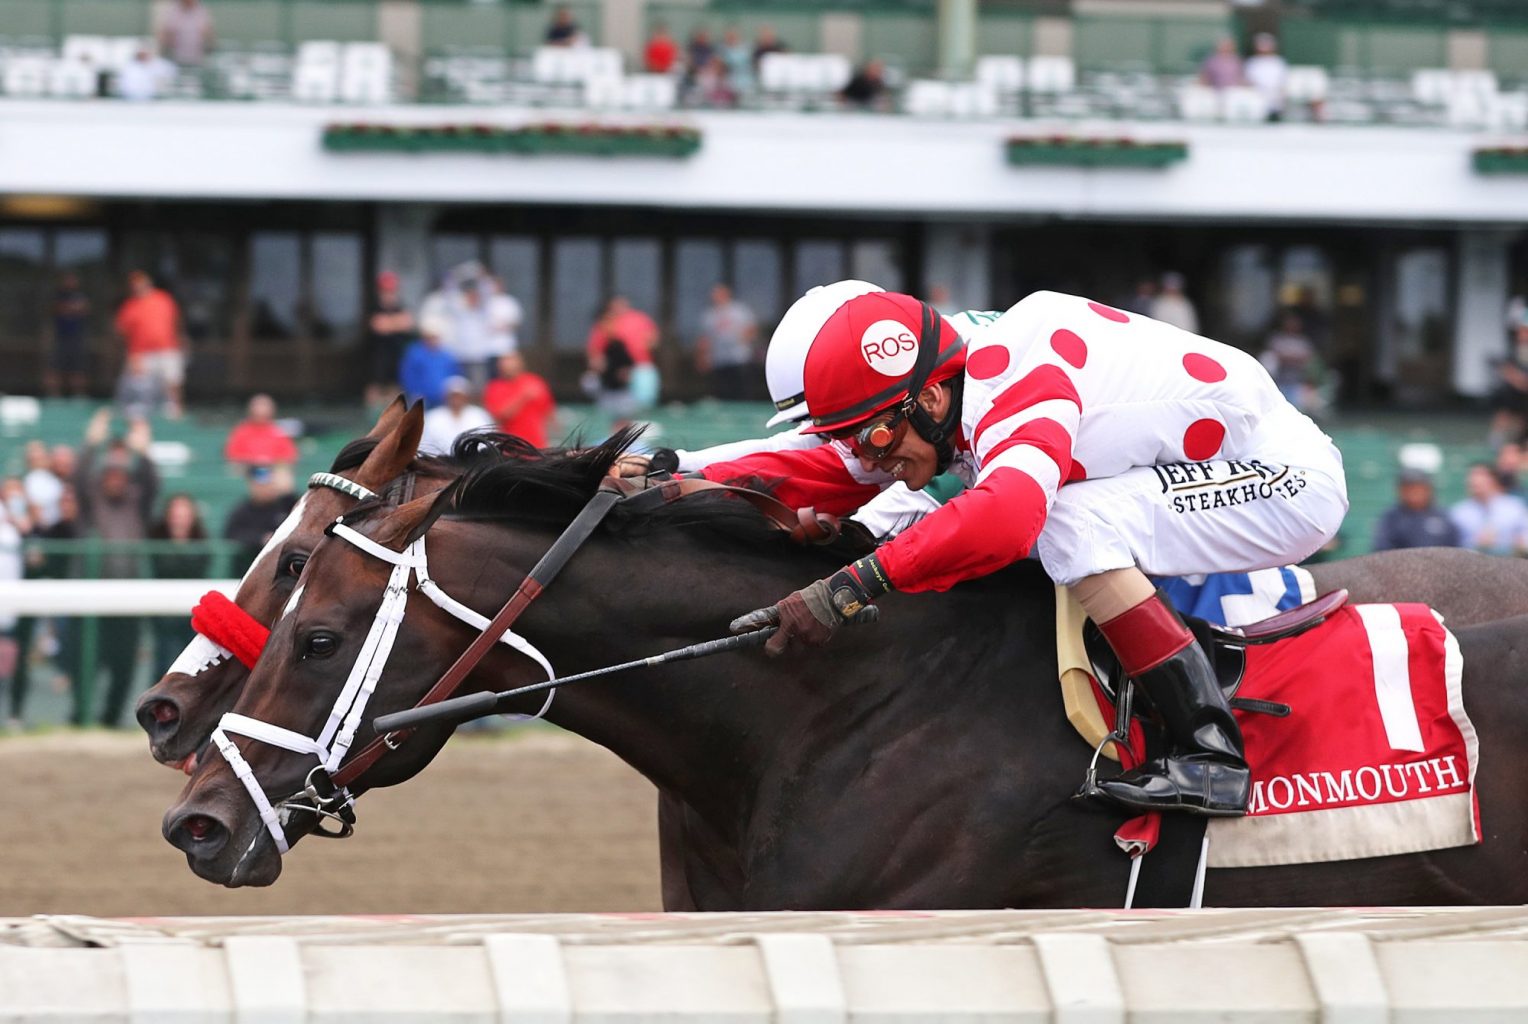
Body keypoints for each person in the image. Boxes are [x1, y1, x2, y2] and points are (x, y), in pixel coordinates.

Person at [704, 288, 1349, 818]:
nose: (871, 462)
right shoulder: (945, 388)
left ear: (928, 398)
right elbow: (818, 470)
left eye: (873, 438)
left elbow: (1010, 516)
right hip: (1222, 462)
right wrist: (670, 469)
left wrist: (861, 581)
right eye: (857, 442)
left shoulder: (1016, 371)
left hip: (1287, 478)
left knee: (1068, 521)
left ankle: (1212, 754)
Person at [74, 411, 158, 726]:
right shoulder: (91, 500)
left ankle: (111, 718)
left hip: (129, 597)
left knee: (124, 664)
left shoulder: (136, 501)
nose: (115, 477)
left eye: (122, 473)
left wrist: (143, 451)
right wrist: (91, 445)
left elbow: (150, 482)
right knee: (86, 663)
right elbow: (80, 480)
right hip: (91, 597)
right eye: (109, 472)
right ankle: (80, 717)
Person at [147, 493, 210, 673]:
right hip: (163, 614)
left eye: (184, 515)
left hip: (190, 615)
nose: (179, 520)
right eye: (176, 515)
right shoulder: (156, 540)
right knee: (163, 662)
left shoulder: (201, 542)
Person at [114, 270, 184, 417]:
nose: (138, 286)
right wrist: (132, 355)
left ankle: (174, 409)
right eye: (135, 284)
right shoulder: (130, 306)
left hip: (167, 348)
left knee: (172, 379)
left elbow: (177, 322)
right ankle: (137, 412)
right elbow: (121, 332)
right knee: (140, 386)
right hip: (141, 352)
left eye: (141, 282)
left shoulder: (164, 299)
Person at [587, 295, 661, 411]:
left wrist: (644, 345)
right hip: (614, 375)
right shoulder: (606, 322)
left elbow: (653, 339)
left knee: (643, 404)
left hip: (640, 366)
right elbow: (595, 351)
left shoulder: (639, 319)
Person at [223, 465, 298, 577]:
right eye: (259, 484)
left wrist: (289, 492)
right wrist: (261, 539)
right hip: (249, 569)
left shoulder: (286, 504)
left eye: (268, 483)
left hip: (284, 570)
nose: (264, 488)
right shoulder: (242, 511)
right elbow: (231, 535)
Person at [1450, 462, 1528, 557]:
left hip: (1510, 562)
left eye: (1481, 476)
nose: (1474, 481)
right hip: (1469, 563)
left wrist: (1507, 542)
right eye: (1472, 477)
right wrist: (1475, 542)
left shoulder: (1514, 507)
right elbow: (1452, 545)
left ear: (1493, 480)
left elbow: (1524, 538)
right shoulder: (1458, 512)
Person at [695, 282, 758, 399]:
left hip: (739, 358)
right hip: (719, 360)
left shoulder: (739, 311)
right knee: (723, 391)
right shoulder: (709, 315)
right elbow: (705, 339)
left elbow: (751, 330)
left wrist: (742, 340)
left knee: (742, 390)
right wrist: (703, 357)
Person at [1372, 469, 1460, 551]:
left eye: (1419, 487)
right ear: (1401, 490)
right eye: (1409, 488)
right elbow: (1382, 550)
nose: (1414, 492)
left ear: (1428, 489)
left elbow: (1455, 549)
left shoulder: (1443, 516)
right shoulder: (1391, 518)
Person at [365, 271, 416, 408]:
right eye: (385, 291)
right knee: (375, 395)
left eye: (391, 291)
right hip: (377, 362)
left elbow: (408, 323)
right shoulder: (373, 307)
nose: (389, 294)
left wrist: (391, 323)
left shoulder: (400, 307)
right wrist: (397, 323)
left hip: (397, 360)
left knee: (395, 397)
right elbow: (379, 325)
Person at [483, 352, 555, 448]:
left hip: (537, 446)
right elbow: (500, 416)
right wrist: (523, 397)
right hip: (509, 447)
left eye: (511, 360)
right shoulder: (494, 387)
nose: (508, 365)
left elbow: (549, 412)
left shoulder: (535, 381)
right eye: (505, 361)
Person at [1259, 311, 1325, 415]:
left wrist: (1287, 357)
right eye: (1289, 322)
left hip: (1299, 384)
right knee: (1268, 358)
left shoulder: (1303, 341)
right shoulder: (1277, 339)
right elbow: (1276, 355)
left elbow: (1308, 359)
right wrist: (1294, 358)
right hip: (1278, 383)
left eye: (1295, 323)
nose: (1292, 325)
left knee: (1311, 406)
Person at [420, 377, 494, 455]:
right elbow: (424, 444)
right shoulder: (432, 417)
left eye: (459, 396)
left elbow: (488, 441)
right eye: (453, 396)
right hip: (440, 462)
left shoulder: (479, 415)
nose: (456, 400)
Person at [224, 393, 298, 468]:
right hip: (247, 469)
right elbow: (231, 454)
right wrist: (253, 461)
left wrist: (270, 461)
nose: (261, 411)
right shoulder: (241, 431)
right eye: (258, 407)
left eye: (264, 407)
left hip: (273, 469)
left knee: (283, 474)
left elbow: (290, 455)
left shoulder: (279, 431)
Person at [1488, 309, 1528, 448]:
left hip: (1522, 415)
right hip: (1511, 413)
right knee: (1501, 447)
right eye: (1520, 331)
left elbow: (1522, 382)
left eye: (1525, 331)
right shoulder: (1516, 353)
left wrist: (1514, 377)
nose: (1522, 335)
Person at [47, 272, 90, 398]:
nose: (70, 282)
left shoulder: (81, 295)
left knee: (78, 368)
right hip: (60, 338)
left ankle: (78, 395)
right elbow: (56, 308)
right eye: (68, 280)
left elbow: (85, 308)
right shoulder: (57, 295)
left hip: (77, 337)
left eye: (72, 280)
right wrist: (72, 308)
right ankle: (53, 395)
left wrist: (70, 308)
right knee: (55, 367)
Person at [399, 325, 461, 409]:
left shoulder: (447, 355)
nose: (433, 340)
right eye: (430, 337)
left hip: (443, 397)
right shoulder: (415, 353)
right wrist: (414, 392)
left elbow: (454, 375)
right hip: (420, 397)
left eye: (435, 337)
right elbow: (408, 375)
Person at [1243, 32, 1288, 122]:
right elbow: (1248, 80)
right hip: (1256, 95)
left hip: (1276, 96)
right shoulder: (1252, 62)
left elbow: (1283, 81)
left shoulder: (1278, 62)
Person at [158, 0, 214, 67]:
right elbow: (163, 35)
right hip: (176, 59)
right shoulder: (172, 11)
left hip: (197, 59)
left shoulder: (201, 11)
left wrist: (209, 43)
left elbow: (209, 35)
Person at [21, 441, 63, 530]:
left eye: (41, 458)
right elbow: (36, 509)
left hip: (59, 526)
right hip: (45, 529)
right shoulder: (33, 479)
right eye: (35, 459)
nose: (39, 462)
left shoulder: (54, 478)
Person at [486, 275, 523, 358]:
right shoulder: (485, 302)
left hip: (507, 346)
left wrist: (504, 326)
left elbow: (517, 322)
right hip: (488, 348)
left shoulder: (510, 302)